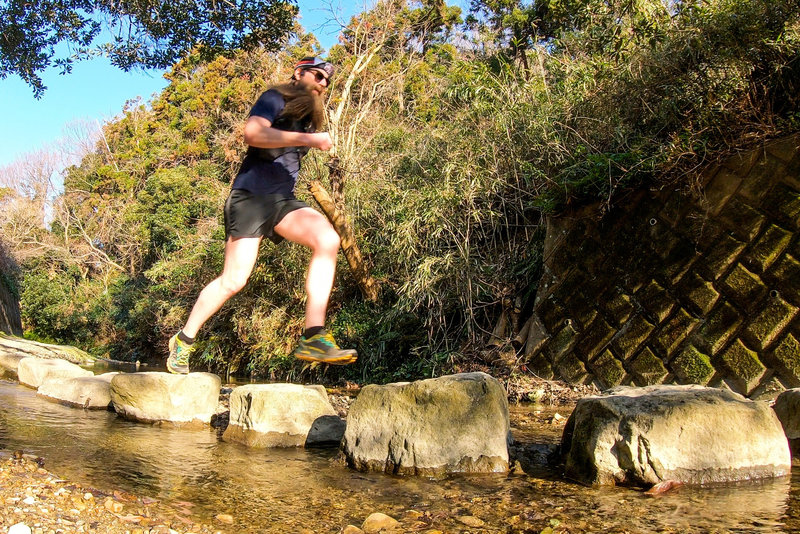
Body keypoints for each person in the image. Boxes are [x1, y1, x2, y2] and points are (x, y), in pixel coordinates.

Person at [166, 57, 357, 374]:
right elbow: (253, 134)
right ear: (299, 74)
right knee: (233, 281)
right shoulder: (275, 97)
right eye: (318, 75)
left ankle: (313, 335)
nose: (323, 83)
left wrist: (308, 133)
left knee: (328, 239)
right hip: (251, 198)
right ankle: (183, 341)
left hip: (282, 201)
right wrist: (309, 139)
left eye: (327, 81)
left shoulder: (307, 117)